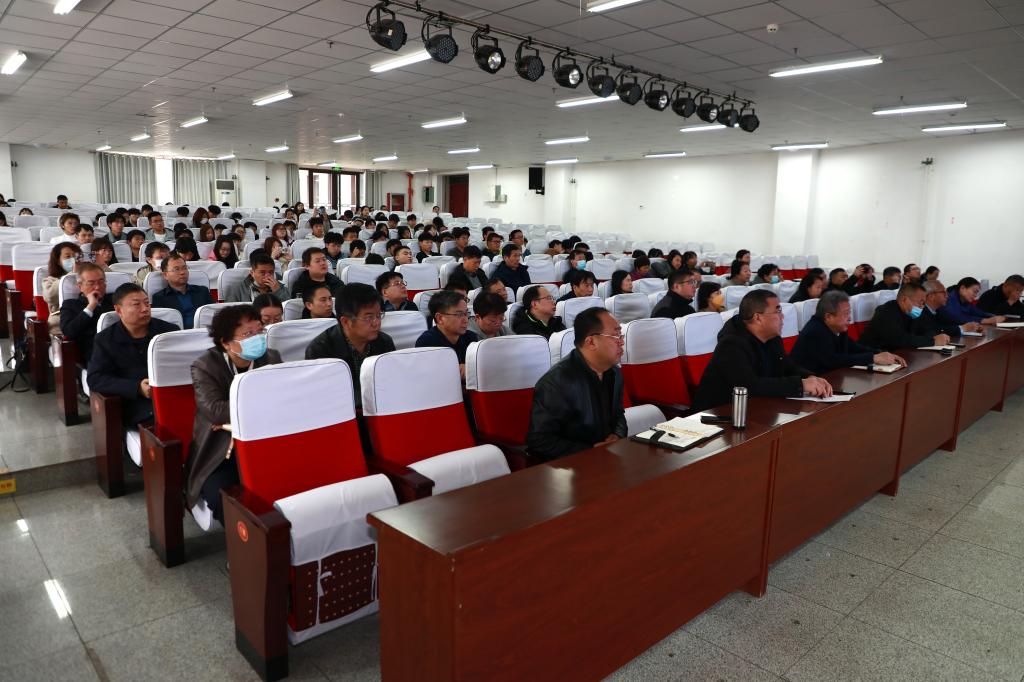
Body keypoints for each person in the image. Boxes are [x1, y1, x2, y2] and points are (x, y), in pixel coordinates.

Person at [185, 305, 281, 525]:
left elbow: (283, 399)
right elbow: (216, 411)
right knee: (226, 500)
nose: (257, 338)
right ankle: (244, 544)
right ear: (226, 343)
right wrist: (262, 404)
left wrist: (238, 414)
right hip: (221, 452)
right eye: (247, 334)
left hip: (265, 443)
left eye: (259, 330)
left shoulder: (272, 357)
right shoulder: (205, 366)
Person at [692, 289, 831, 410]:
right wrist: (801, 385)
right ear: (758, 317)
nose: (782, 316)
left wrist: (810, 377)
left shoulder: (772, 338)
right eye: (777, 311)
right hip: (718, 415)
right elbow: (749, 385)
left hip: (758, 409)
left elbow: (788, 366)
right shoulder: (731, 344)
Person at [526, 307, 627, 461]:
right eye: (615, 336)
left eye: (621, 335)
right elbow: (540, 440)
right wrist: (590, 451)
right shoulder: (556, 382)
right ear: (591, 342)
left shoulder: (614, 372)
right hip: (569, 466)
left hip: (607, 458)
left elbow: (618, 414)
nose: (621, 342)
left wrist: (617, 435)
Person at [86, 283, 178, 426]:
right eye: (136, 305)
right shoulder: (105, 339)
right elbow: (95, 379)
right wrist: (137, 388)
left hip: (171, 395)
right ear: (119, 310)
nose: (145, 309)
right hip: (136, 404)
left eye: (147, 303)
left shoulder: (168, 331)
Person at [306, 282, 395, 405]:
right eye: (368, 317)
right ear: (346, 322)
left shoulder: (384, 342)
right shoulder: (320, 350)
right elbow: (323, 398)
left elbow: (390, 384)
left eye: (379, 315)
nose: (377, 323)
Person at [791, 291, 907, 374]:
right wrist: (873, 358)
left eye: (849, 313)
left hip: (833, 378)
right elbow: (833, 361)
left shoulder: (837, 327)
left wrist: (882, 353)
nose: (850, 318)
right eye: (846, 314)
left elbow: (854, 347)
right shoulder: (815, 332)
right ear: (829, 317)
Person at [859, 283, 952, 350]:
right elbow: (901, 339)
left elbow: (925, 329)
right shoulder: (885, 312)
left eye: (924, 303)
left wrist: (935, 336)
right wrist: (933, 341)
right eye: (920, 302)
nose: (922, 306)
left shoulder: (910, 312)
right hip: (872, 355)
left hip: (897, 354)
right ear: (904, 299)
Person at [59, 263, 114, 364]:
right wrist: (90, 307)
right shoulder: (71, 305)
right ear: (80, 286)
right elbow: (69, 332)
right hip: (95, 354)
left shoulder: (115, 300)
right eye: (91, 283)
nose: (97, 287)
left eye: (101, 282)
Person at [415, 290, 478, 375]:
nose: (466, 320)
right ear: (440, 318)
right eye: (459, 315)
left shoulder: (471, 338)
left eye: (466, 313)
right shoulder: (426, 343)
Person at [151, 253, 213, 330]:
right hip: (177, 335)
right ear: (165, 275)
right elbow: (160, 326)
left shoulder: (202, 291)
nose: (182, 272)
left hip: (204, 332)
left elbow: (213, 315)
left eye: (184, 268)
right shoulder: (159, 298)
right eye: (176, 269)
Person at [917, 280, 982, 338]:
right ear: (931, 296)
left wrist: (971, 327)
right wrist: (962, 328)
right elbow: (933, 331)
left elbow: (943, 326)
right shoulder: (919, 313)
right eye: (943, 292)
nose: (947, 296)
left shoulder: (937, 311)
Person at [43, 242, 83, 334]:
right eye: (68, 256)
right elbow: (50, 297)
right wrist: (72, 274)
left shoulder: (88, 276)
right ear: (58, 261)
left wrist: (102, 265)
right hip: (60, 324)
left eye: (76, 257)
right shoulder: (50, 280)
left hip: (86, 319)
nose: (73, 260)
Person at [225, 253, 289, 303]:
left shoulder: (281, 288)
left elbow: (287, 310)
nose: (267, 276)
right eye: (262, 272)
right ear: (252, 273)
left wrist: (278, 292)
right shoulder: (238, 289)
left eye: (270, 272)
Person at [940, 277, 1005, 325]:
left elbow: (978, 312)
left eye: (977, 293)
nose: (975, 295)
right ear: (962, 288)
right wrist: (986, 320)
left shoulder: (965, 301)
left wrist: (994, 316)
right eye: (974, 292)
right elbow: (958, 317)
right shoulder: (949, 298)